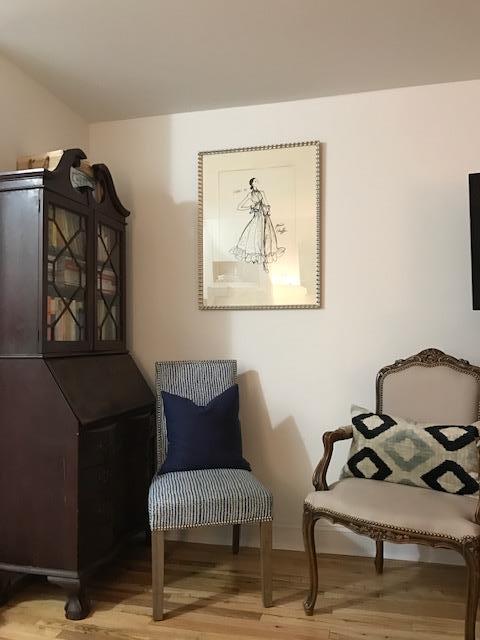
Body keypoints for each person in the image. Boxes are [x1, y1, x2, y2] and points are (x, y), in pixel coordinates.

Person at [230, 178, 285, 273]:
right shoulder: (250, 195)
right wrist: (251, 207)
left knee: (266, 241)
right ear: (252, 184)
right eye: (255, 181)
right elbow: (239, 207)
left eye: (257, 181)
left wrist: (267, 209)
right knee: (256, 241)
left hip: (264, 218)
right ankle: (258, 266)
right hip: (257, 219)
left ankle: (265, 264)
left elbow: (267, 204)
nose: (257, 182)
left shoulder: (262, 192)